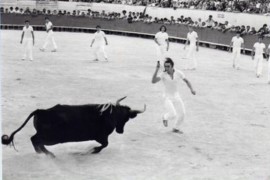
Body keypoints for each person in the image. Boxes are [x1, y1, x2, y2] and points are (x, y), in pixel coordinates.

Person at [152, 58, 196, 134]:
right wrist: (156, 70)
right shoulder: (163, 74)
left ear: (172, 66)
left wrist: (192, 89)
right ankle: (165, 117)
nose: (166, 68)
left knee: (183, 113)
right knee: (173, 114)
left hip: (176, 96)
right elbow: (153, 81)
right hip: (167, 97)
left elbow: (187, 81)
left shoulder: (179, 73)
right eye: (165, 66)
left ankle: (176, 128)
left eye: (168, 66)